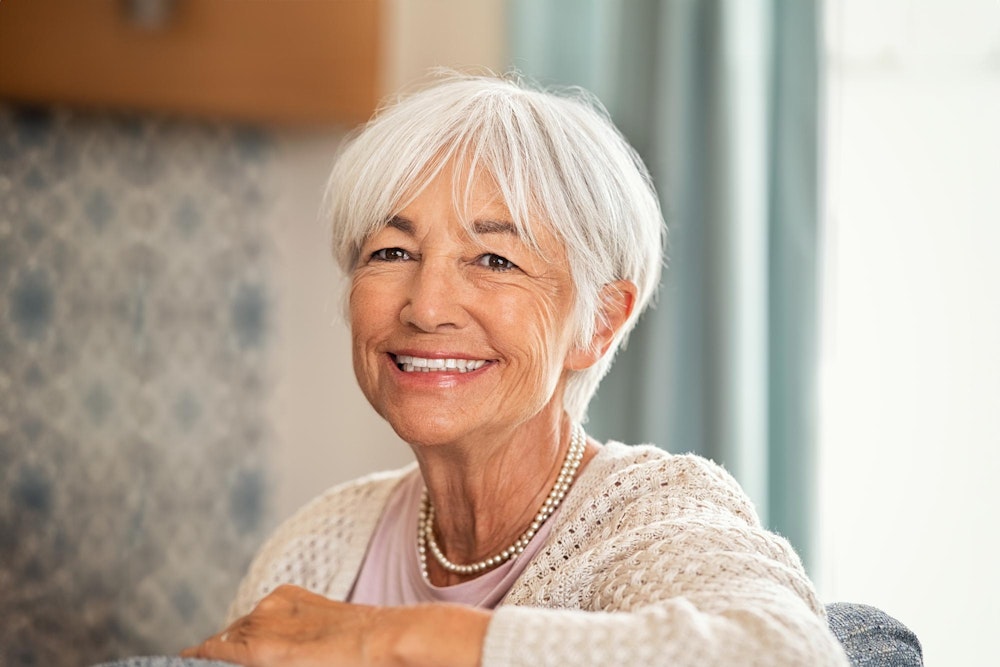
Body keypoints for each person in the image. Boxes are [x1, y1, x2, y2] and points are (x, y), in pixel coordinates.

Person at [181, 73, 849, 666]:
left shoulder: (651, 512)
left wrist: (389, 638)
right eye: (390, 251)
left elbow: (790, 653)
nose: (427, 305)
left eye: (495, 260)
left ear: (599, 322)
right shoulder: (318, 544)